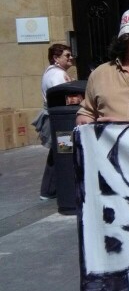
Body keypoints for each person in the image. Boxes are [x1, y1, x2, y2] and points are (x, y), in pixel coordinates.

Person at [37, 44, 75, 199]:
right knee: (64, 152)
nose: (71, 58)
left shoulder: (51, 73)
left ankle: (50, 189)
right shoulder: (57, 75)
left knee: (59, 153)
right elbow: (65, 97)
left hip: (58, 120)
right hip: (62, 121)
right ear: (56, 58)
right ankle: (54, 189)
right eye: (67, 55)